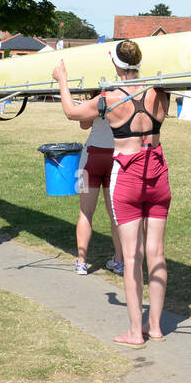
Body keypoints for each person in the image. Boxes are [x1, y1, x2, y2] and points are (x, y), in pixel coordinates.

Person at [53, 40, 169, 346]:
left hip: (128, 175)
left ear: (114, 62)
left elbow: (70, 112)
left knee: (133, 256)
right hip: (158, 172)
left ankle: (135, 332)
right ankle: (154, 327)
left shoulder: (109, 98)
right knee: (156, 252)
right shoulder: (160, 91)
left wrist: (62, 80)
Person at [75, 103, 124, 275]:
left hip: (91, 155)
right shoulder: (121, 96)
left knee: (85, 212)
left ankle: (81, 262)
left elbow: (83, 124)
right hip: (115, 155)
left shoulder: (94, 100)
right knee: (115, 214)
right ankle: (119, 261)